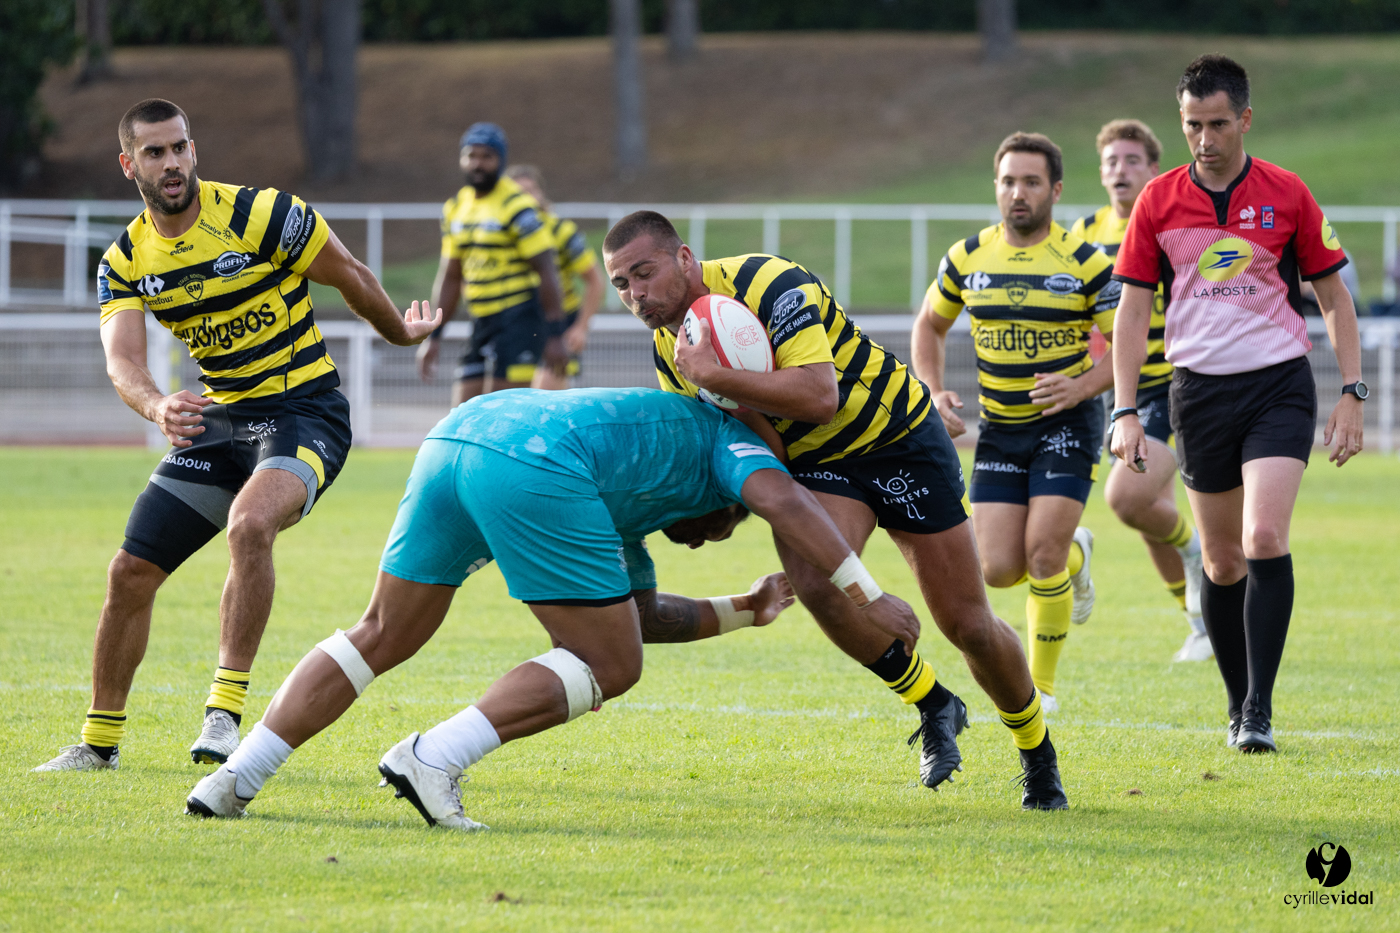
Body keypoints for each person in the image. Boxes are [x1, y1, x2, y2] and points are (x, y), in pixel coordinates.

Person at [184, 387, 922, 826]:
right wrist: (870, 594)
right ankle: (430, 758)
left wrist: (744, 606)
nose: (709, 539)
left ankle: (233, 778)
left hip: (460, 434)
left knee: (380, 631)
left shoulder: (634, 487)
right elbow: (786, 500)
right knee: (610, 664)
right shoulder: (731, 445)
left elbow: (642, 616)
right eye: (729, 523)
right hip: (536, 457)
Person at [604, 213, 1070, 810]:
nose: (636, 295)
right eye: (622, 284)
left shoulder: (771, 283)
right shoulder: (671, 351)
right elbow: (754, 444)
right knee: (819, 584)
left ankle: (1037, 753)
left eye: (644, 273)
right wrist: (720, 510)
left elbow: (820, 398)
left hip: (896, 438)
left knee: (967, 624)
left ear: (685, 259)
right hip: (819, 468)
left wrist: (716, 374)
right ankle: (934, 703)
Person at [33, 98, 441, 773]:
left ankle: (223, 715)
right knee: (129, 571)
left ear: (194, 151)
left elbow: (352, 277)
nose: (171, 163)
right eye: (155, 152)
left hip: (305, 412)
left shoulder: (264, 215)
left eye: (180, 148)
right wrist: (159, 406)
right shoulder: (127, 257)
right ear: (127, 163)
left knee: (250, 525)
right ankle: (98, 743)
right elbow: (122, 361)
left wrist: (402, 331)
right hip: (218, 424)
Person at [1109, 55, 1365, 753]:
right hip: (1197, 392)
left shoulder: (1286, 193)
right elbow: (1132, 314)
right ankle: (1235, 701)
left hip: (1278, 385)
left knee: (1262, 540)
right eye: (1193, 124)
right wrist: (1124, 409)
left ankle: (1260, 707)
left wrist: (1351, 392)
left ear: (1245, 119)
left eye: (1218, 123)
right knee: (1222, 562)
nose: (1205, 138)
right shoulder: (1158, 202)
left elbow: (1335, 298)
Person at [911, 132, 1118, 715]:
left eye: (1030, 182)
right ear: (996, 188)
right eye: (1007, 182)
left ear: (1054, 189)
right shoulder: (967, 256)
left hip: (1067, 422)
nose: (1017, 193)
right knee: (999, 570)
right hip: (1001, 427)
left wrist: (1081, 386)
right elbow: (929, 325)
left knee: (1042, 557)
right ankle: (1077, 553)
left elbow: (1126, 346)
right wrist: (931, 388)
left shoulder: (1085, 261)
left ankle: (1042, 690)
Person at [1070, 119, 1210, 663]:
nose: (1120, 171)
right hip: (1116, 389)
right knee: (1154, 513)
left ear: (1155, 169)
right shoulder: (1081, 236)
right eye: (1111, 162)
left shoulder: (1175, 226)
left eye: (1132, 161)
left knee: (1127, 499)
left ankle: (1199, 553)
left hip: (1173, 384)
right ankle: (1200, 624)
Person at [415, 124, 569, 404]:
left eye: (487, 156)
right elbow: (451, 276)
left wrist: (556, 334)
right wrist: (434, 336)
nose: (478, 163)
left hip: (520, 318)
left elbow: (547, 270)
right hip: (481, 320)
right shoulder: (455, 208)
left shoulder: (516, 206)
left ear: (500, 159)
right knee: (462, 414)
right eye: (471, 156)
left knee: (503, 415)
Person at [505, 165, 604, 390]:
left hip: (559, 325)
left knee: (546, 398)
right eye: (519, 193)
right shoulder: (501, 237)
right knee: (516, 402)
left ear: (541, 193)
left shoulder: (561, 231)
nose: (527, 198)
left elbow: (595, 281)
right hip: (519, 325)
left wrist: (581, 327)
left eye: (532, 190)